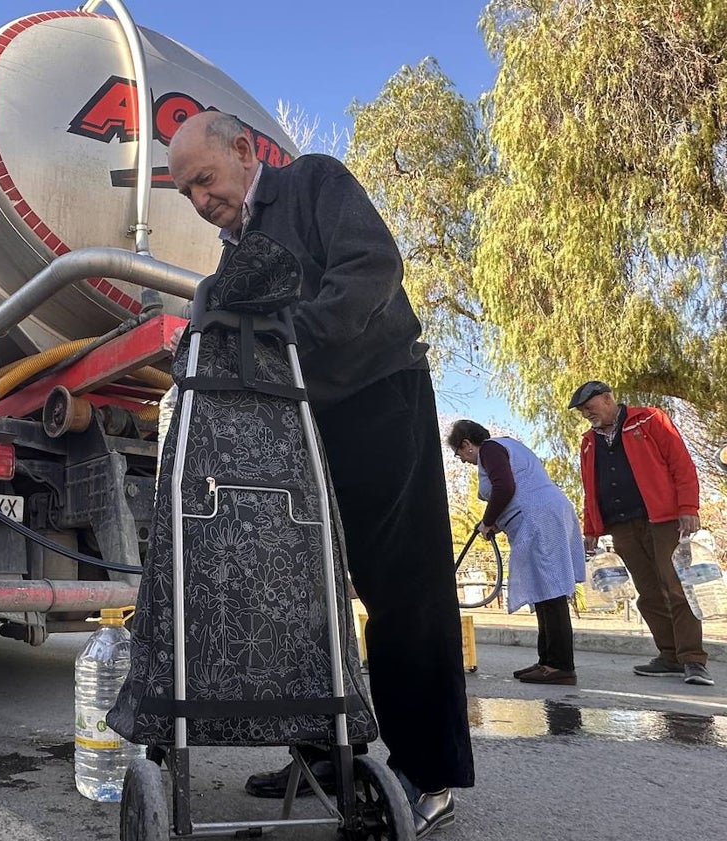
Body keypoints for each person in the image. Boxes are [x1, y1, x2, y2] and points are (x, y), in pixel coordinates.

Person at [167, 110, 473, 836]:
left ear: (243, 151)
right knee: (296, 587)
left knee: (402, 586)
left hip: (376, 397)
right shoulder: (231, 256)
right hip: (294, 422)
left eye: (205, 180)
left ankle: (428, 775)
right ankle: (325, 754)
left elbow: (372, 268)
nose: (201, 201)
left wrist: (289, 335)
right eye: (187, 194)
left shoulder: (313, 182)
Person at [568, 380, 712, 686]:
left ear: (607, 399)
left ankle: (693, 660)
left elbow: (681, 465)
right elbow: (590, 487)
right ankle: (669, 655)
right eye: (582, 412)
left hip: (662, 519)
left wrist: (688, 508)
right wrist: (591, 528)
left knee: (675, 587)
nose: (586, 416)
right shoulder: (589, 442)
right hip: (622, 525)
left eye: (589, 408)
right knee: (647, 593)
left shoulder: (650, 419)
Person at [447, 420, 585, 684]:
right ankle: (548, 661)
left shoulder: (489, 449)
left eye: (459, 454)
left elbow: (504, 487)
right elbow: (513, 490)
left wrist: (488, 521)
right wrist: (496, 522)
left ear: (466, 443)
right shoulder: (506, 446)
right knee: (544, 591)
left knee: (551, 591)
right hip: (543, 515)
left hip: (539, 519)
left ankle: (561, 666)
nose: (463, 461)